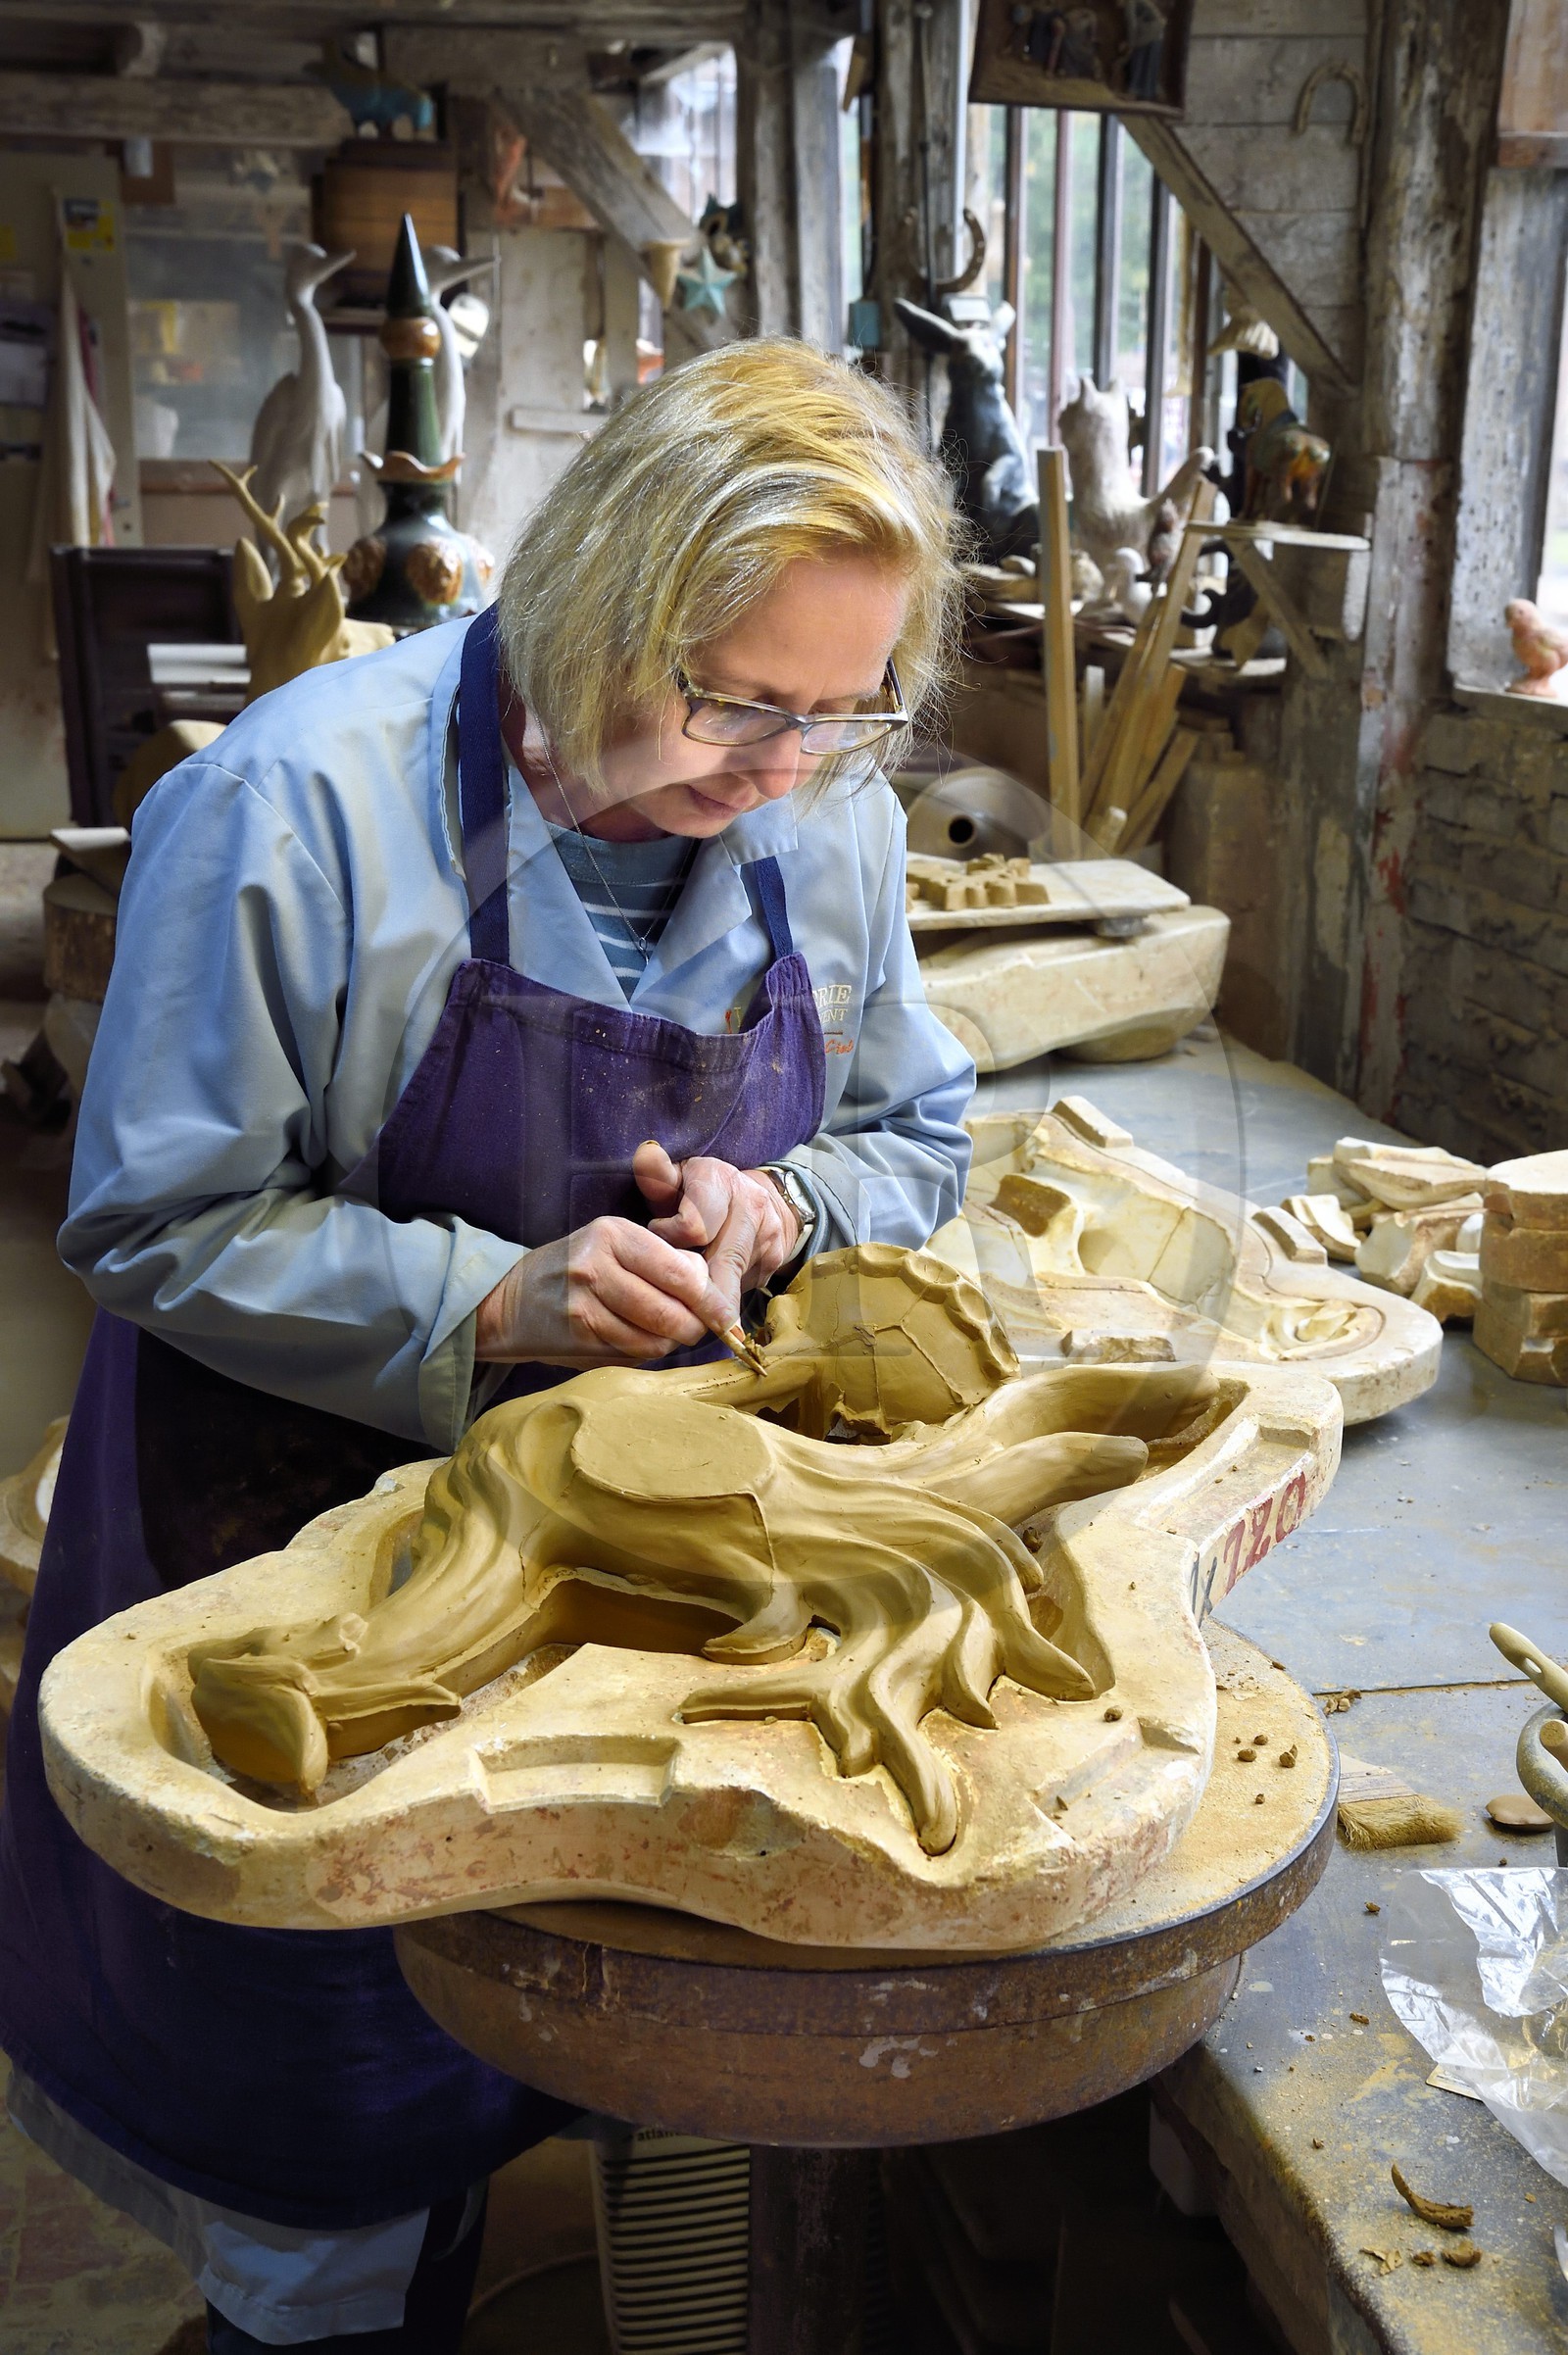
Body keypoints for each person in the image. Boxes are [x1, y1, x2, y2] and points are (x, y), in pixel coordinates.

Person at [0, 338, 975, 2349]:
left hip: (661, 1601)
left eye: (835, 710)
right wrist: (490, 1300)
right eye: (727, 699)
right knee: (332, 2133)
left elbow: (913, 1129)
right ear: (595, 596)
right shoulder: (291, 805)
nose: (777, 764)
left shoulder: (822, 826)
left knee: (661, 2048)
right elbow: (150, 1216)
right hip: (304, 1583)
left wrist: (783, 1208)